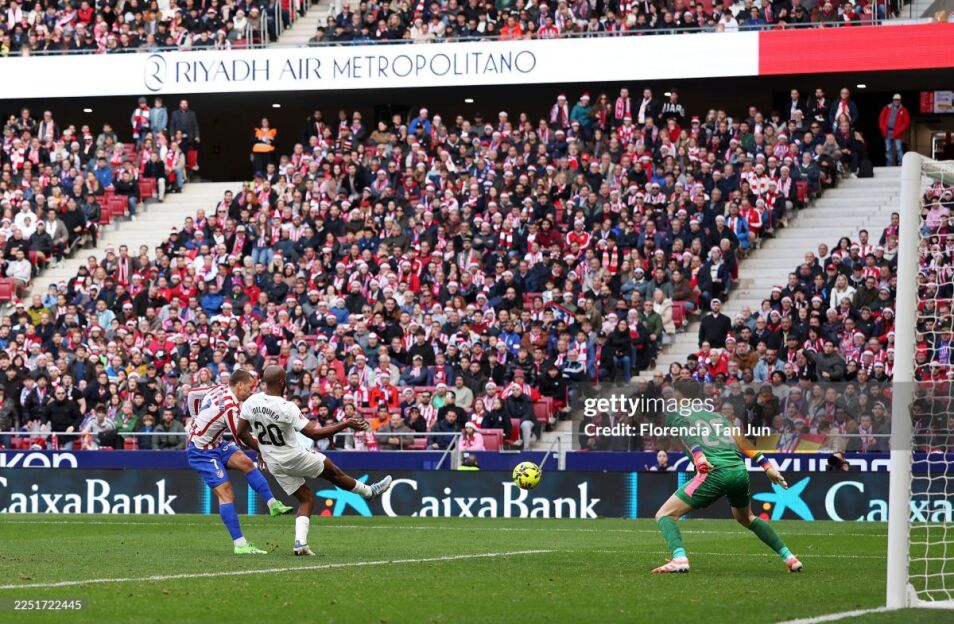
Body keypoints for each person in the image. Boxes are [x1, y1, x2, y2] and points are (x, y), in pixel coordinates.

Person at [236, 366, 393, 556]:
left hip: (273, 463)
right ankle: (369, 492)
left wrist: (260, 449)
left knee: (306, 498)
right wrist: (345, 424)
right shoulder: (287, 407)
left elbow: (241, 433)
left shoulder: (251, 402)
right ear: (282, 382)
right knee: (334, 473)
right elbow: (313, 434)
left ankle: (300, 543)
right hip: (294, 456)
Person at [652, 380, 802, 574]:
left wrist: (699, 457)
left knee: (665, 515)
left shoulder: (677, 413)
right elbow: (742, 441)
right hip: (739, 471)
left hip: (714, 472)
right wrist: (767, 466)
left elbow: (688, 435)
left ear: (677, 394)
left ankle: (679, 558)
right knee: (747, 518)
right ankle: (789, 558)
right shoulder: (718, 416)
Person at [185, 370, 292, 555]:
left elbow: (192, 394)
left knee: (245, 462)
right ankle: (240, 544)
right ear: (240, 385)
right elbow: (242, 438)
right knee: (227, 494)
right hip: (201, 452)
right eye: (250, 387)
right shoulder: (230, 408)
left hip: (217, 443)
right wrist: (263, 451)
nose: (251, 391)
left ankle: (273, 504)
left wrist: (196, 418)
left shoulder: (219, 388)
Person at [878, 94, 910, 167]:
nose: (896, 101)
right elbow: (881, 118)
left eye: (898, 100)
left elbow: (906, 122)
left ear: (900, 100)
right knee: (888, 149)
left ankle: (901, 165)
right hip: (887, 132)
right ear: (893, 100)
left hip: (897, 133)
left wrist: (899, 130)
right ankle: (889, 165)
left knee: (899, 149)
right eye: (895, 99)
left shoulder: (903, 110)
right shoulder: (887, 108)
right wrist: (883, 128)